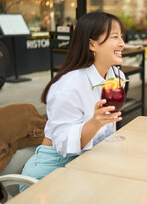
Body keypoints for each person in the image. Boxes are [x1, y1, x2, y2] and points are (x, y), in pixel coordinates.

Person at [20, 12, 126, 190]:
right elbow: (64, 145)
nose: (122, 43)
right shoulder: (68, 86)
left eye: (121, 36)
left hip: (89, 161)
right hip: (51, 170)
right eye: (115, 37)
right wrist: (95, 122)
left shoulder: (117, 76)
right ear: (92, 44)